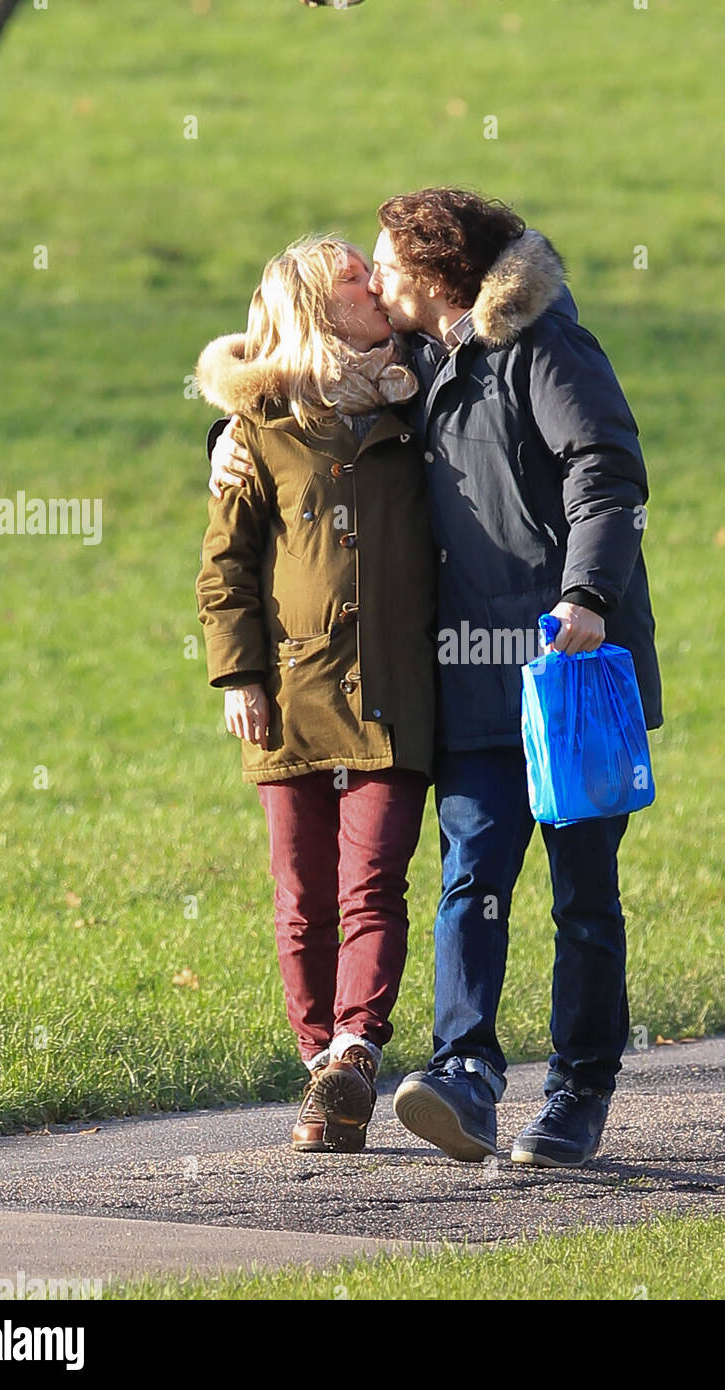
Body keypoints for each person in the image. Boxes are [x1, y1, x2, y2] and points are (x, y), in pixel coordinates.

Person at [210, 191, 663, 1168]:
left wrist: (586, 596)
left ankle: (578, 1095)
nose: (371, 281)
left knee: (583, 896)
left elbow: (606, 469)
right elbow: (295, 385)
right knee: (471, 879)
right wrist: (228, 428)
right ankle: (465, 1073)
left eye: (383, 269)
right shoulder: (415, 365)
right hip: (468, 681)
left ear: (431, 280)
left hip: (572, 669)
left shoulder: (541, 346)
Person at [195, 235, 437, 1153]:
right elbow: (225, 570)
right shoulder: (255, 431)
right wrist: (237, 674)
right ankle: (320, 1072)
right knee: (302, 894)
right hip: (289, 691)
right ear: (314, 306)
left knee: (374, 882)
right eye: (352, 280)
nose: (374, 287)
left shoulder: (419, 403)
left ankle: (353, 1053)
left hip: (396, 691)